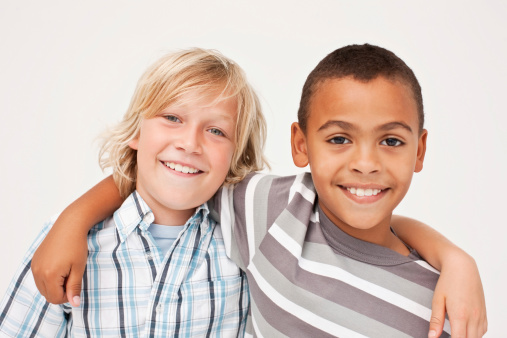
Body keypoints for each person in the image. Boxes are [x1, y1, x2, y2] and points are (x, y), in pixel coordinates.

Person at [28, 45, 486, 337]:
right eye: (340, 139)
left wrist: (455, 260)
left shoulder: (440, 304)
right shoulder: (270, 211)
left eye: (390, 141)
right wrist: (74, 219)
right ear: (300, 145)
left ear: (420, 150)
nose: (365, 163)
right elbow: (167, 178)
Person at [0, 48, 269, 337]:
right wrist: (72, 221)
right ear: (136, 133)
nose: (190, 143)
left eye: (216, 131)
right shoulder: (70, 242)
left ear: (236, 157)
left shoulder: (247, 246)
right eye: (172, 118)